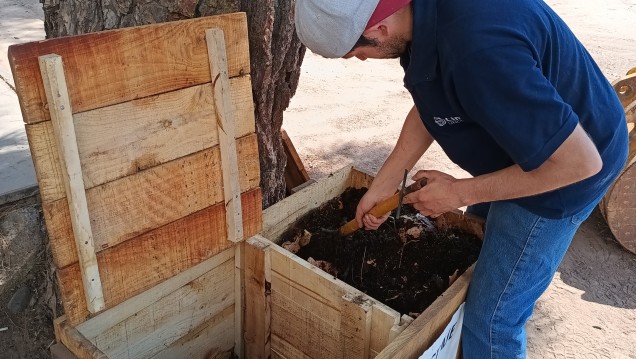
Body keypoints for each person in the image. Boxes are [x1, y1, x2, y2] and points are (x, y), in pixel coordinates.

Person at [294, 0, 629, 357]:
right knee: (474, 256)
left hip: (566, 169)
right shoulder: (422, 18)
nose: (360, 59)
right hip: (530, 146)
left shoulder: (478, 52)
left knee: (492, 320)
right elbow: (435, 98)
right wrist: (386, 179)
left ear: (378, 28)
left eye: (356, 51)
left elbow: (578, 163)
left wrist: (459, 192)